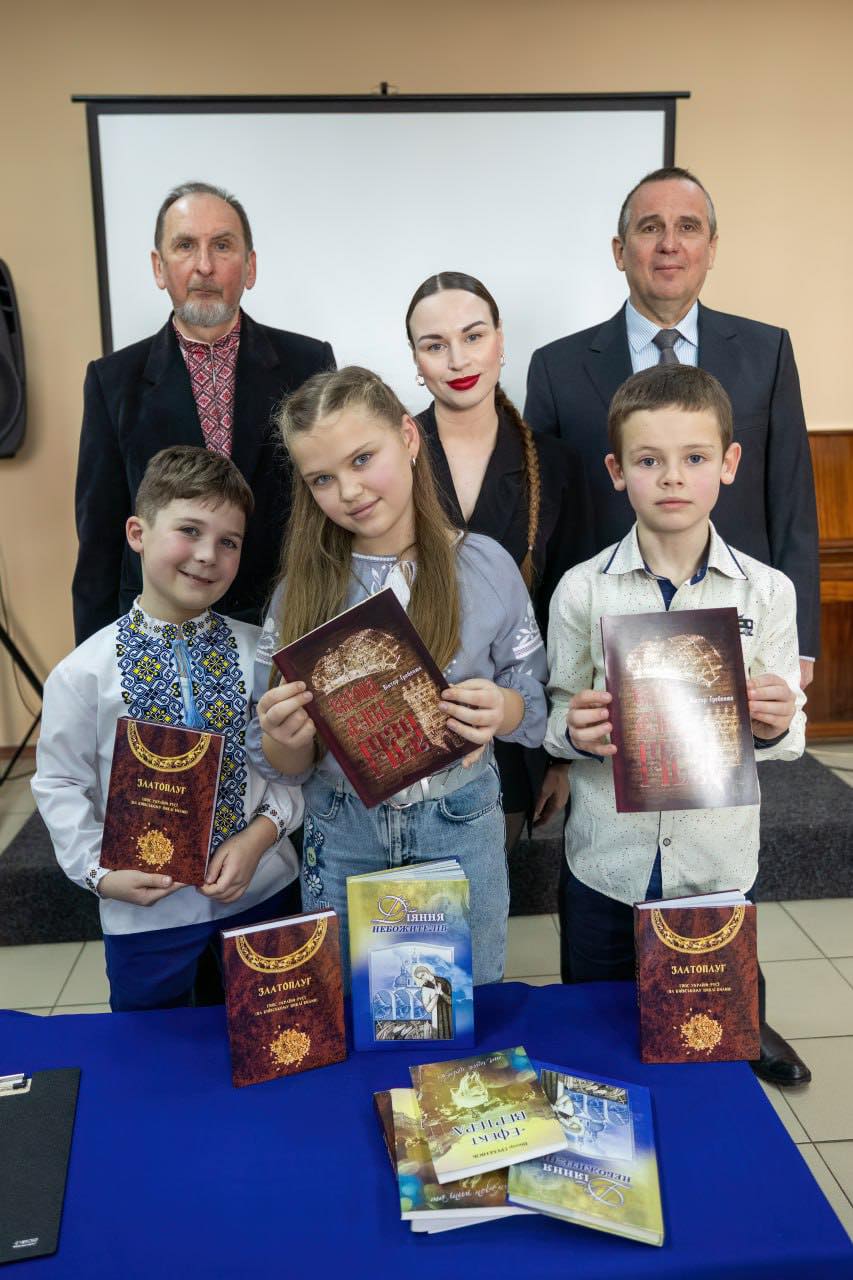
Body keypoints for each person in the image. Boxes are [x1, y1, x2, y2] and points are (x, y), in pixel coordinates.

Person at [544, 365, 810, 1087]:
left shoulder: (767, 592)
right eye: (648, 460)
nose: (671, 477)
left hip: (714, 862)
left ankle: (748, 1032)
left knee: (710, 1042)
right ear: (616, 471)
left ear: (728, 463)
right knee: (599, 1034)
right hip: (607, 859)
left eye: (694, 457)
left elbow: (786, 738)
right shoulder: (583, 589)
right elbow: (554, 714)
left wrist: (773, 722)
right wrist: (573, 731)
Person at [248, 366, 548, 985]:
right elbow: (282, 762)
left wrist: (503, 709)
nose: (349, 490)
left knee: (463, 1006)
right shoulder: (299, 593)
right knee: (353, 1005)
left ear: (409, 438)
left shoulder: (485, 565)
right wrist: (285, 735)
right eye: (322, 479)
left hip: (459, 823)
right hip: (343, 830)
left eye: (363, 459)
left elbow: (535, 702)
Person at [525, 166, 820, 688]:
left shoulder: (768, 352)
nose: (669, 244)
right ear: (620, 251)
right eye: (650, 227)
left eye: (688, 227)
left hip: (740, 622)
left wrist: (801, 643)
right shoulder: (557, 367)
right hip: (604, 629)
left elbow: (792, 503)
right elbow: (540, 520)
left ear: (711, 247)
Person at [33, 446, 303, 1012]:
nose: (207, 555)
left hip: (263, 891)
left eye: (229, 542)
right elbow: (60, 784)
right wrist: (100, 875)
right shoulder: (84, 673)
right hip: (146, 915)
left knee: (273, 1040)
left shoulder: (261, 654)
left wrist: (260, 838)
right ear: (138, 533)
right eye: (189, 530)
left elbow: (292, 766)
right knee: (154, 1049)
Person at [72, 180, 335, 645]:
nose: (205, 266)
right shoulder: (112, 381)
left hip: (286, 624)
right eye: (185, 246)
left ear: (250, 266)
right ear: (159, 267)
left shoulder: (308, 363)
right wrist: (98, 664)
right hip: (158, 638)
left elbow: (330, 512)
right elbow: (99, 543)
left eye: (223, 246)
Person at [405, 272, 594, 848]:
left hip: (514, 738)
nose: (457, 359)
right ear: (415, 359)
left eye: (473, 336)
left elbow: (572, 616)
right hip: (403, 738)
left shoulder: (557, 465)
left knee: (488, 889)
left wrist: (561, 760)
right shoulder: (386, 460)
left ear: (501, 340)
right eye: (435, 345)